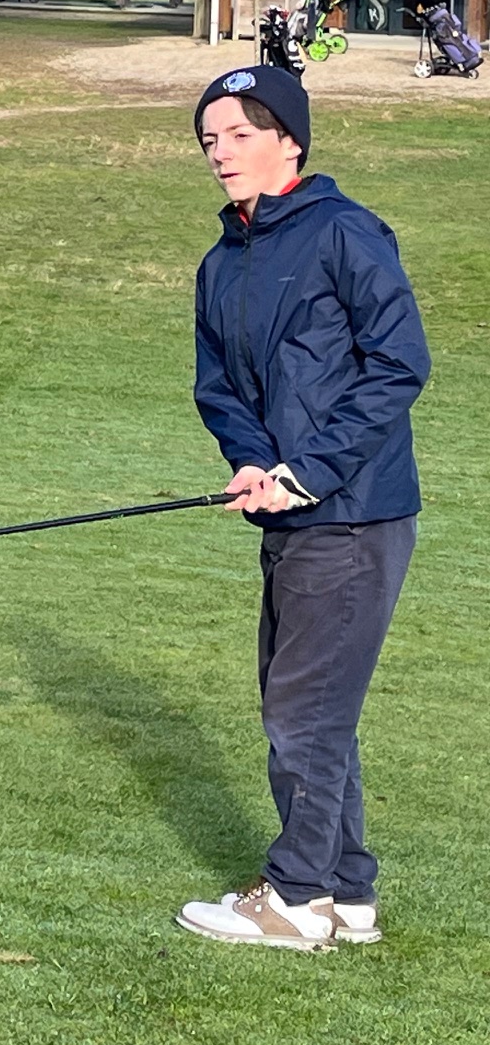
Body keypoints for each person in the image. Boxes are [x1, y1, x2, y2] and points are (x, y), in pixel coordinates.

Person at [175, 65, 430, 951]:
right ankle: (347, 893)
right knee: (316, 704)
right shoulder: (222, 261)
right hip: (288, 514)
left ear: (289, 140)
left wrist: (308, 471)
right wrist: (252, 462)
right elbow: (220, 386)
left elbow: (399, 364)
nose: (221, 153)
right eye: (210, 139)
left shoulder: (346, 233)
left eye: (240, 134)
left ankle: (295, 897)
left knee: (302, 712)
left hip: (353, 515)